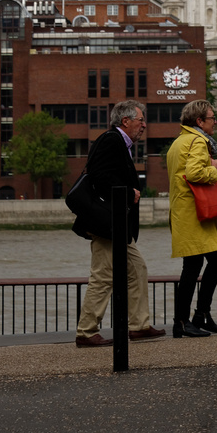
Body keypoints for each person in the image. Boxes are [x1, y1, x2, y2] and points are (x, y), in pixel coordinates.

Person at [73, 100, 164, 347]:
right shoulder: (111, 140)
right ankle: (86, 332)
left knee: (137, 269)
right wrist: (126, 192)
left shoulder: (118, 143)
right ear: (125, 121)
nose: (144, 125)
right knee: (103, 276)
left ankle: (139, 326)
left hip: (116, 227)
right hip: (107, 225)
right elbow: (100, 177)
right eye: (140, 120)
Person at [166, 99, 217, 338]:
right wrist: (214, 167)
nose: (215, 122)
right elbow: (194, 173)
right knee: (201, 264)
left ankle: (196, 317)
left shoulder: (178, 142)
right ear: (199, 121)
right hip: (195, 213)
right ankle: (186, 320)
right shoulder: (197, 141)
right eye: (212, 118)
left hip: (184, 212)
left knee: (203, 263)